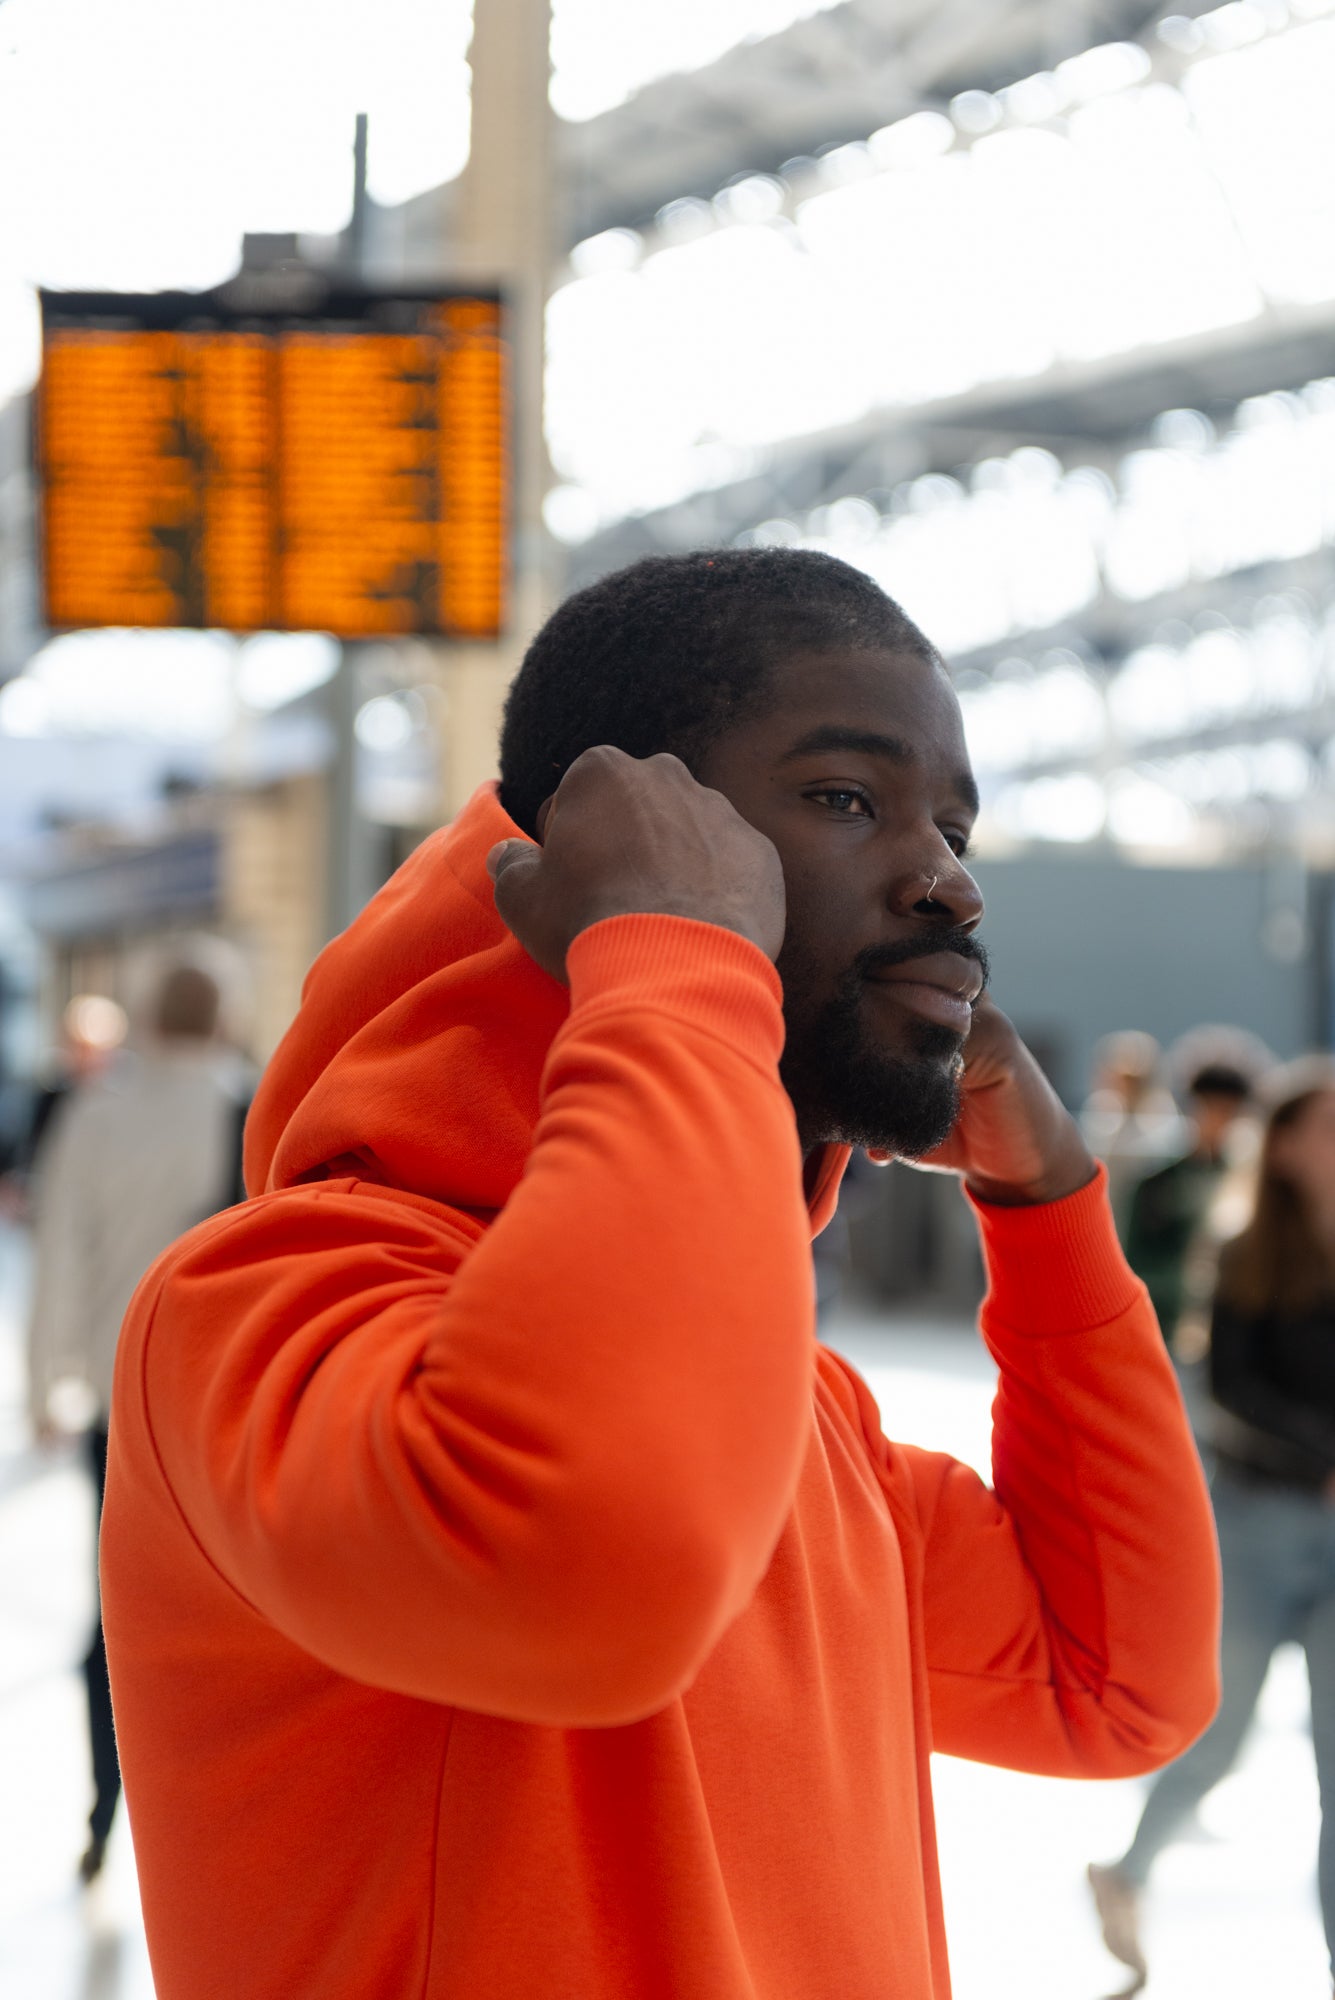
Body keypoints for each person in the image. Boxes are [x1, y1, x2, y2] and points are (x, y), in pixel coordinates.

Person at [102, 549, 1219, 2000]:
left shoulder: (789, 1412)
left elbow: (1113, 1682)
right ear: (618, 843)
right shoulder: (265, 1302)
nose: (948, 882)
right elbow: (581, 1572)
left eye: (954, 825)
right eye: (843, 798)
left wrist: (1048, 1204)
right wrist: (677, 963)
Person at [1089, 1055, 1335, 1998]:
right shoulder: (1242, 1244)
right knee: (1213, 1733)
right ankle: (1128, 1870)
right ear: (1278, 1146)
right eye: (1314, 1128)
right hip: (1258, 1521)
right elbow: (1229, 1387)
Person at [27, 961, 247, 1886]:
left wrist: (48, 1383)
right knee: (227, 1611)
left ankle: (105, 1810)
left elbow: (60, 1249)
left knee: (118, 1608)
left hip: (124, 1405)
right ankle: (214, 1826)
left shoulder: (97, 1111)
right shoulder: (247, 1108)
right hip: (221, 1400)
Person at [1124, 1031, 1267, 1345]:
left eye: (1229, 1111)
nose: (1218, 1121)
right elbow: (1132, 1263)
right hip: (1165, 1332)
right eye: (1210, 1108)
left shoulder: (1256, 1183)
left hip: (1236, 1338)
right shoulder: (1157, 1183)